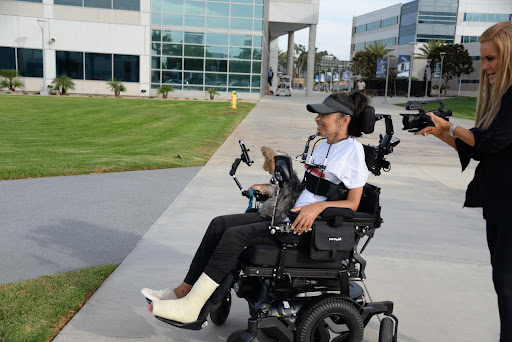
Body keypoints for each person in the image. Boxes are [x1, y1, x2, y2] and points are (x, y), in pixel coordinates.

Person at [141, 92, 371, 324]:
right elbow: (309, 189)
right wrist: (272, 189)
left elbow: (353, 203)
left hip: (306, 230)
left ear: (344, 120)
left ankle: (192, 308)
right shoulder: (322, 147)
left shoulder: (353, 152)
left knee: (234, 235)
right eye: (318, 114)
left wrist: (319, 208)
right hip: (288, 216)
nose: (317, 119)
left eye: (324, 115)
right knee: (219, 223)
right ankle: (184, 291)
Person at [416, 21, 512, 342]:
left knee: (507, 281)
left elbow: (487, 143)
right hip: (498, 203)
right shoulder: (500, 100)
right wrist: (440, 131)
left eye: (491, 59)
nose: (484, 68)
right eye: (482, 60)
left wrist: (451, 125)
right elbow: (479, 147)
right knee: (503, 282)